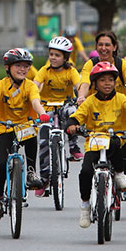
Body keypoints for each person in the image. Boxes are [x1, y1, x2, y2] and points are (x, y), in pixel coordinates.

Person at [65, 61, 126, 228]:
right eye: (102, 80)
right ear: (95, 84)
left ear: (115, 82)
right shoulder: (90, 102)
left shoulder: (121, 99)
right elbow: (76, 117)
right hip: (94, 144)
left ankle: (120, 175)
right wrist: (71, 125)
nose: (107, 83)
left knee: (116, 144)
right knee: (86, 171)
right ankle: (85, 206)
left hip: (116, 141)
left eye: (110, 80)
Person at [0, 48, 48, 221]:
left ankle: (31, 171)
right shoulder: (1, 85)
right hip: (5, 128)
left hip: (25, 125)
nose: (22, 69)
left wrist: (43, 114)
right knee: (1, 162)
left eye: (25, 66)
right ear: (8, 67)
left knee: (31, 138)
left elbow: (35, 102)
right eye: (18, 66)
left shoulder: (30, 86)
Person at [77, 31, 126, 197]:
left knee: (123, 146)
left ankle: (125, 182)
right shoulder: (90, 65)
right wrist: (81, 97)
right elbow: (84, 82)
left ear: (114, 47)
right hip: (97, 114)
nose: (104, 48)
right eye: (100, 45)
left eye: (107, 45)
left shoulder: (123, 65)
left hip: (119, 114)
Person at [34, 35, 83, 178]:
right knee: (43, 137)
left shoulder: (71, 71)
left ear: (65, 57)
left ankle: (73, 146)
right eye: (51, 54)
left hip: (65, 105)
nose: (53, 58)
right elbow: (35, 86)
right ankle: (44, 177)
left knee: (72, 112)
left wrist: (81, 96)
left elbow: (79, 86)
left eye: (57, 55)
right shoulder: (44, 70)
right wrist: (32, 96)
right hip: (46, 107)